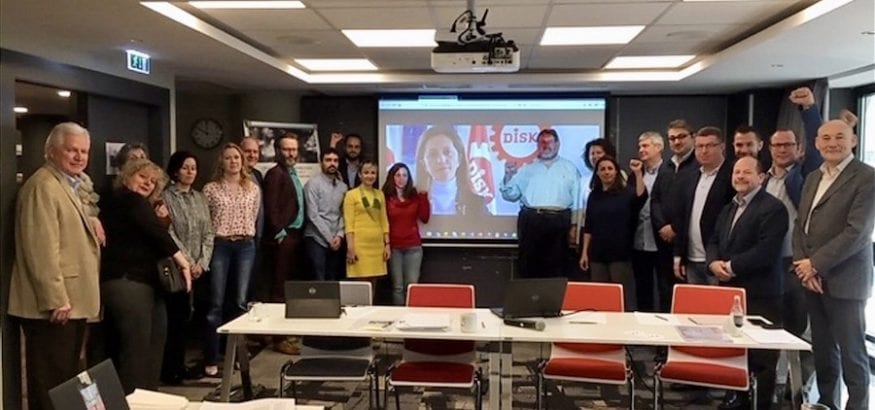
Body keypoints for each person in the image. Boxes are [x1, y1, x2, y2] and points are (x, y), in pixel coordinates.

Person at [8, 122, 102, 410]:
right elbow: (40, 248)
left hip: (72, 302)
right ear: (50, 151)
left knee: (65, 380)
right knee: (50, 383)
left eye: (83, 151)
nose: (78, 156)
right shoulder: (43, 186)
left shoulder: (71, 185)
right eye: (71, 150)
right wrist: (55, 298)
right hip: (54, 306)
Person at [793, 119, 874, 410]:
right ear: (816, 143)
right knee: (823, 352)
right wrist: (804, 267)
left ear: (853, 140)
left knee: (853, 355)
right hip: (813, 279)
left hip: (846, 280)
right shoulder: (814, 177)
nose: (832, 143)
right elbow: (801, 224)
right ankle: (827, 403)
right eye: (825, 138)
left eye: (839, 137)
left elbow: (857, 232)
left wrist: (814, 264)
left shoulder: (867, 177)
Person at [100, 158, 192, 393]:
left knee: (152, 347)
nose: (147, 184)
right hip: (127, 281)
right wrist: (183, 262)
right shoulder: (125, 199)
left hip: (147, 284)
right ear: (128, 175)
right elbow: (156, 233)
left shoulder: (141, 205)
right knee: (136, 351)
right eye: (142, 177)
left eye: (152, 182)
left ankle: (148, 399)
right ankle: (134, 400)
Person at [706, 156, 788, 410]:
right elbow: (714, 240)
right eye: (736, 172)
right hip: (730, 292)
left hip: (761, 293)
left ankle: (760, 404)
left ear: (761, 177)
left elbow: (766, 251)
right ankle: (736, 399)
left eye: (746, 173)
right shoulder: (729, 207)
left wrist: (729, 267)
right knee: (734, 349)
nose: (740, 177)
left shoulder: (773, 208)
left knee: (762, 357)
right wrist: (712, 263)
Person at [768, 86, 824, 396]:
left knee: (798, 330)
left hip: (794, 263)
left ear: (797, 147)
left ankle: (798, 389)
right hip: (768, 265)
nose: (782, 150)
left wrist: (808, 110)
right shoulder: (764, 180)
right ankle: (775, 384)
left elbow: (815, 153)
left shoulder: (803, 176)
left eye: (788, 144)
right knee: (770, 329)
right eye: (777, 145)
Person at [202, 143, 260, 377]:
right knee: (215, 303)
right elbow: (206, 221)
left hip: (245, 245)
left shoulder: (252, 189)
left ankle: (236, 356)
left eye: (237, 157)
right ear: (221, 162)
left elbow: (254, 216)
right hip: (220, 245)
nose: (234, 161)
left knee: (240, 302)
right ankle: (211, 357)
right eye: (228, 158)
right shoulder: (210, 189)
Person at [160, 151, 214, 385]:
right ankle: (170, 369)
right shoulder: (164, 197)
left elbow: (208, 232)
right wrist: (188, 261)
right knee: (176, 320)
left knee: (195, 318)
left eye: (193, 167)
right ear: (175, 170)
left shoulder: (200, 198)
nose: (190, 172)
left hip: (199, 269)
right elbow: (168, 233)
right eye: (185, 167)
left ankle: (184, 365)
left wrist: (202, 262)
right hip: (176, 268)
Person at [500, 128, 581, 278]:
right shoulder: (527, 169)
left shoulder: (570, 168)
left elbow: (577, 200)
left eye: (550, 142)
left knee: (558, 268)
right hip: (531, 221)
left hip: (559, 221)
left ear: (557, 144)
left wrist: (575, 226)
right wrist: (508, 175)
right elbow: (510, 195)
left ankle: (556, 300)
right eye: (542, 142)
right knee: (529, 267)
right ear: (537, 145)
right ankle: (529, 300)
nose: (546, 145)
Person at [580, 156, 646, 310]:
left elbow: (641, 197)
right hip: (597, 254)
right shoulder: (594, 196)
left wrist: (637, 173)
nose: (606, 172)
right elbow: (588, 226)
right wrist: (584, 253)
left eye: (610, 168)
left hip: (620, 254)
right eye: (602, 169)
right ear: (597, 173)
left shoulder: (626, 193)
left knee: (623, 295)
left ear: (616, 171)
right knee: (598, 295)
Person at [672, 126, 735, 285]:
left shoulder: (732, 175)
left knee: (717, 307)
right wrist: (678, 254)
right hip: (692, 258)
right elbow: (683, 217)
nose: (704, 151)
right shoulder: (691, 176)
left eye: (710, 146)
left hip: (719, 260)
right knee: (695, 307)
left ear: (722, 147)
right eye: (700, 146)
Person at [650, 119, 698, 311]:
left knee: (686, 296)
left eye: (681, 137)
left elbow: (693, 205)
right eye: (672, 138)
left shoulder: (698, 166)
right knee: (664, 291)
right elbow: (655, 199)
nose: (676, 142)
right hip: (663, 241)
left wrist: (675, 228)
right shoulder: (666, 166)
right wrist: (662, 226)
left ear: (692, 137)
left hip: (687, 242)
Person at [382, 162, 431, 305]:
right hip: (394, 248)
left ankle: (411, 317)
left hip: (413, 248)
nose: (401, 178)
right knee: (397, 287)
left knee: (412, 285)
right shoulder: (385, 197)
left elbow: (425, 218)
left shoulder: (414, 196)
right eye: (397, 175)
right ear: (392, 177)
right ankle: (399, 319)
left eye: (404, 175)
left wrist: (424, 197)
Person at [414, 125, 484, 216]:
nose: (441, 160)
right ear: (424, 164)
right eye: (433, 155)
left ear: (459, 158)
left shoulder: (477, 203)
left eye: (447, 152)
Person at [343, 160, 390, 289]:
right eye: (366, 172)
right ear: (360, 174)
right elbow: (349, 222)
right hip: (359, 245)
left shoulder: (379, 194)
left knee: (373, 283)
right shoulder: (351, 195)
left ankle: (371, 308)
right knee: (360, 285)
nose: (370, 176)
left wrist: (387, 244)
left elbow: (384, 220)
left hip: (376, 246)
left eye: (373, 173)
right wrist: (350, 247)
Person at [631, 132, 664, 312]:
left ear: (658, 147)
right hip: (640, 238)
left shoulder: (669, 171)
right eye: (640, 146)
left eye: (645, 146)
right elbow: (635, 201)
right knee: (642, 289)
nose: (641, 150)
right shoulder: (638, 173)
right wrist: (636, 175)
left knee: (664, 288)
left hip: (662, 239)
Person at [304, 148, 347, 281]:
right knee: (319, 279)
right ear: (321, 162)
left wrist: (339, 236)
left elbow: (344, 213)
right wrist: (329, 238)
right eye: (328, 160)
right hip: (316, 238)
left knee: (333, 278)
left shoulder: (343, 187)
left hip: (336, 239)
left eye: (335, 160)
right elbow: (313, 214)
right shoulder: (312, 184)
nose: (332, 163)